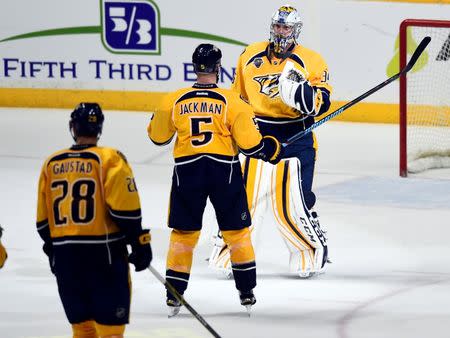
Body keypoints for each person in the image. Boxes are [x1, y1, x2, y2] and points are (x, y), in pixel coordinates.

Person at [147, 43, 283, 316]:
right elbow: (251, 146)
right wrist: (271, 149)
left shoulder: (173, 99)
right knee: (236, 233)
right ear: (218, 68)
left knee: (184, 235)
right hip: (225, 172)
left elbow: (157, 136)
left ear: (194, 67)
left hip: (188, 172)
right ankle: (246, 291)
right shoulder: (233, 101)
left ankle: (174, 293)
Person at [209, 4, 332, 278]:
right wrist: (235, 130)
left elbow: (324, 101)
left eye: (286, 27)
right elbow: (238, 97)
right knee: (244, 197)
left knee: (299, 198)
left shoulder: (312, 60)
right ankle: (233, 253)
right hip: (258, 132)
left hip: (296, 133)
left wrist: (307, 97)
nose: (280, 31)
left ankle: (309, 253)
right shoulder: (250, 53)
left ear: (296, 30)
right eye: (277, 26)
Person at [36, 103, 152, 338]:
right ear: (99, 128)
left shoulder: (52, 163)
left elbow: (42, 222)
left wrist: (54, 249)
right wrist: (140, 242)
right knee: (110, 332)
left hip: (67, 260)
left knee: (82, 329)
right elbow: (125, 211)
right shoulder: (109, 159)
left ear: (72, 127)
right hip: (104, 258)